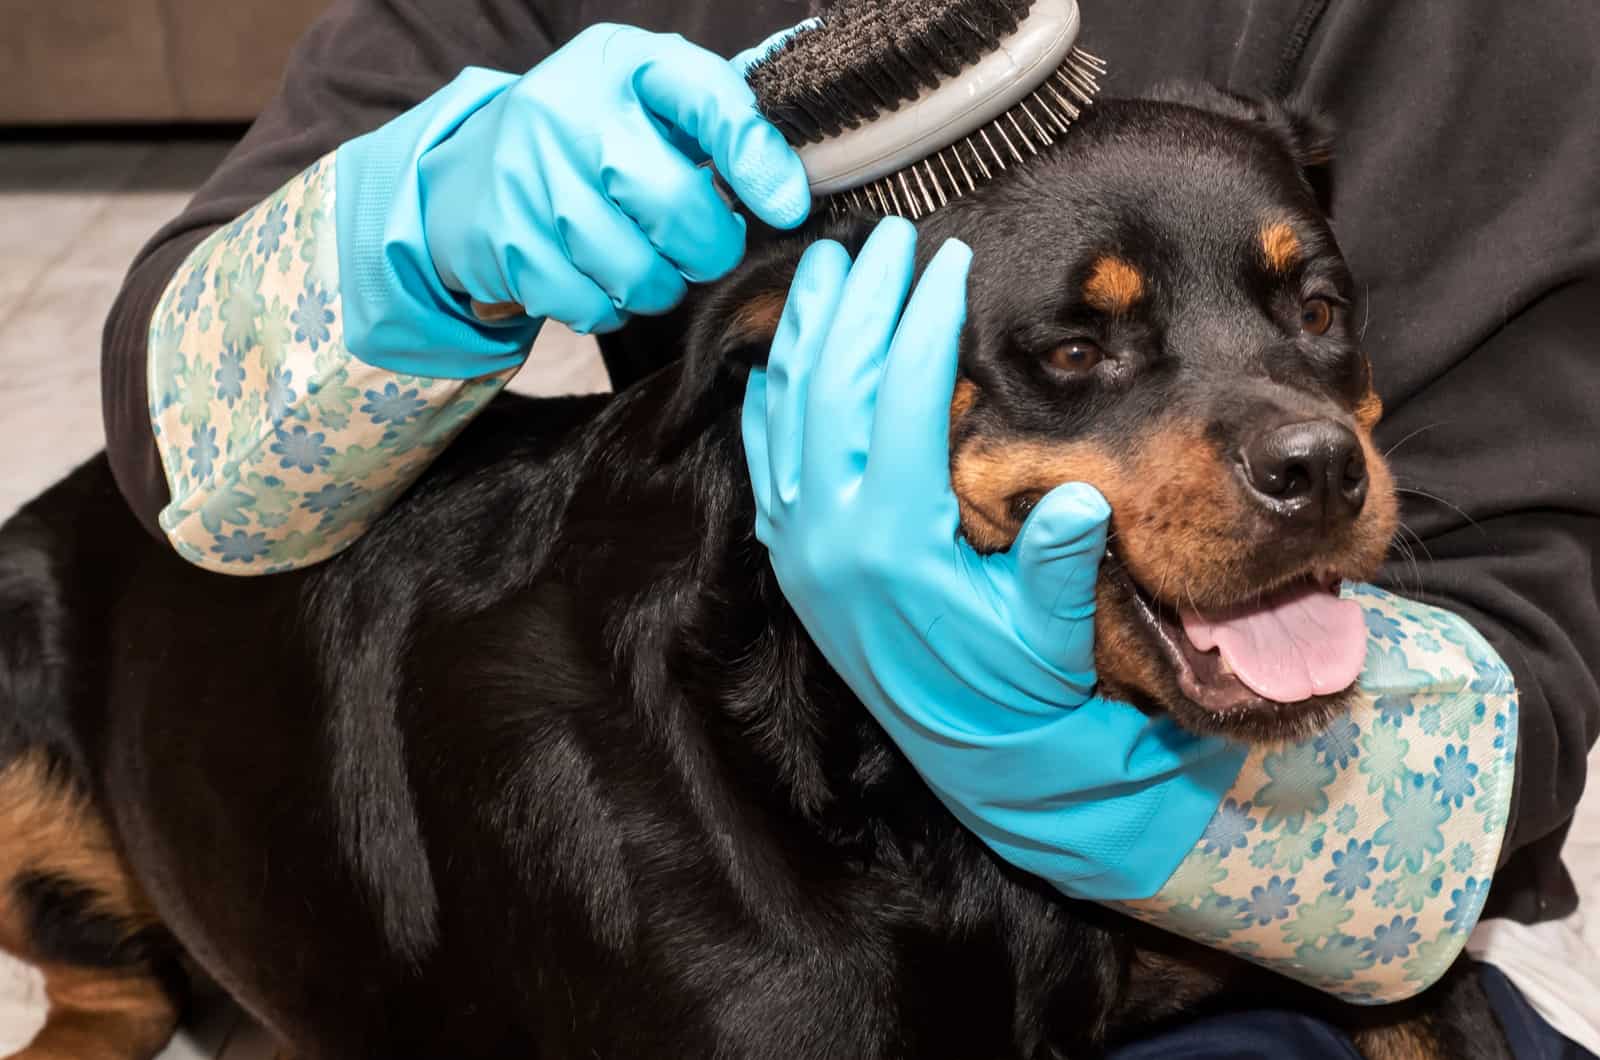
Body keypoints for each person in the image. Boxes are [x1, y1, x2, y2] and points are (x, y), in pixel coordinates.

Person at [98, 0, 1598, 1053]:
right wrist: (413, 235)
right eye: (1078, 353)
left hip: (1288, 908)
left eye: (1312, 311)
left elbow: (1528, 669)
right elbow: (170, 452)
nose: (1301, 438)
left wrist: (1117, 785)